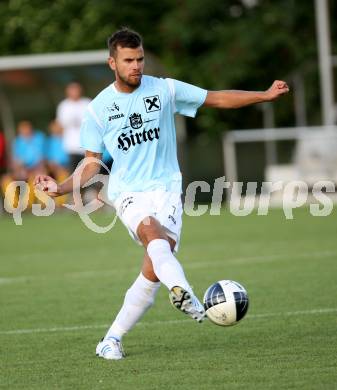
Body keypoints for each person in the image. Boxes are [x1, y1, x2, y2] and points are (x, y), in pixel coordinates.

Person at [34, 28, 289, 360]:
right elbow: (92, 164)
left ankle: (111, 339)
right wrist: (61, 188)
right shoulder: (98, 110)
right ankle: (184, 292)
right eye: (128, 60)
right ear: (113, 62)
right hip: (127, 192)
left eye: (139, 59)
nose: (136, 66)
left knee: (153, 269)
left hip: (167, 190)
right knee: (152, 235)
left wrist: (264, 95)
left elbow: (215, 97)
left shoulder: (165, 89)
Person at [2, 120, 46, 208]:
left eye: (27, 128)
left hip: (36, 169)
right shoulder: (17, 142)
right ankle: (14, 207)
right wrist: (19, 170)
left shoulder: (39, 138)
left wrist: (29, 170)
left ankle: (28, 206)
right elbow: (15, 160)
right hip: (22, 170)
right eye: (22, 129)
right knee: (5, 180)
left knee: (34, 177)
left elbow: (41, 158)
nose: (25, 131)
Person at [56, 82, 91, 171]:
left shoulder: (87, 103)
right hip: (71, 147)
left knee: (89, 176)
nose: (74, 91)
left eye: (76, 88)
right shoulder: (63, 106)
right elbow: (59, 126)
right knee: (74, 176)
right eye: (72, 89)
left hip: (88, 146)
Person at [46, 120, 70, 207]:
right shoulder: (50, 141)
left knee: (63, 174)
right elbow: (48, 157)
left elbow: (71, 156)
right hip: (53, 167)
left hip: (67, 166)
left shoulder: (68, 139)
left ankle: (61, 203)